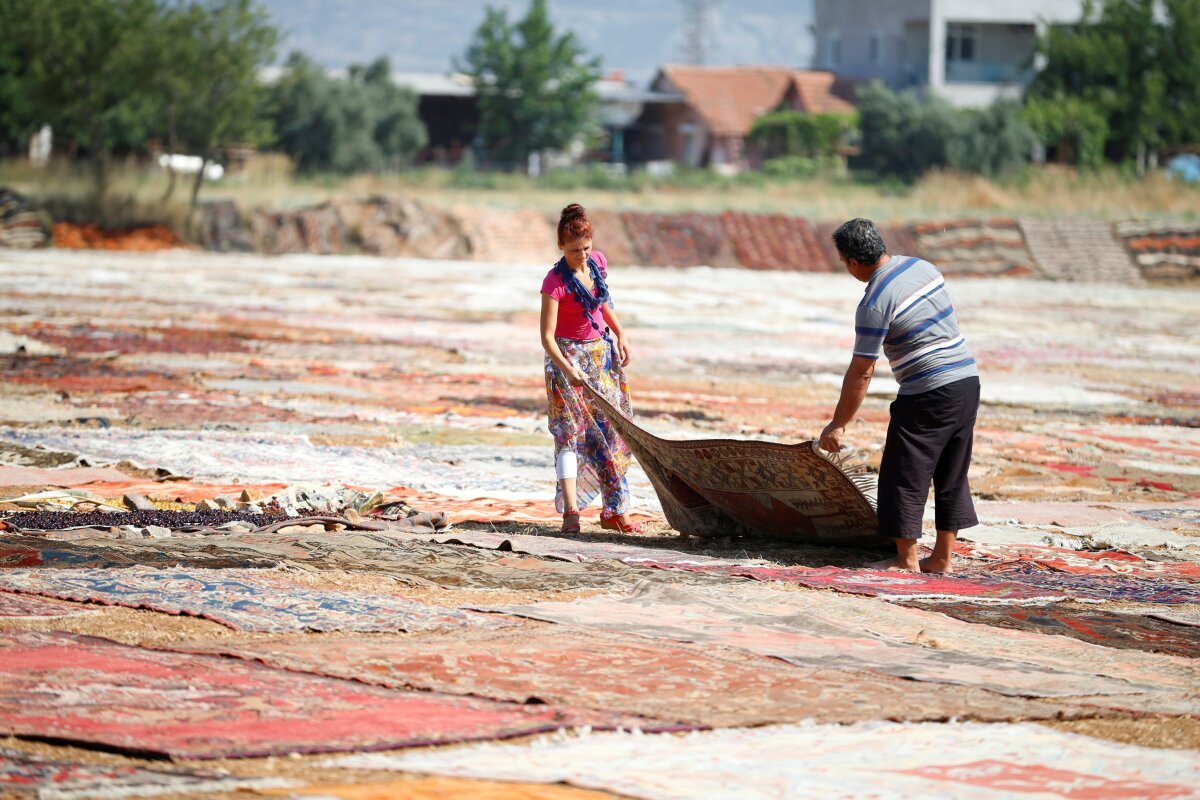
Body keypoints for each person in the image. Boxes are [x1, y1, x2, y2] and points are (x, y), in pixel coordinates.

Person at [820, 218, 980, 573]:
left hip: (928, 391)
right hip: (967, 381)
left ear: (851, 262)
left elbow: (862, 370)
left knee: (903, 475)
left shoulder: (875, 302)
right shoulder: (923, 267)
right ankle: (941, 558)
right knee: (951, 472)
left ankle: (906, 561)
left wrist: (837, 424)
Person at [540, 203, 642, 535]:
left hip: (600, 356)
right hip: (566, 359)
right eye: (573, 251)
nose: (581, 255)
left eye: (585, 248)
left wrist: (621, 334)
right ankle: (571, 512)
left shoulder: (597, 264)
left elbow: (602, 306)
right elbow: (546, 336)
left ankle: (614, 510)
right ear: (561, 247)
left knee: (613, 431)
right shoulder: (554, 282)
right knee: (569, 435)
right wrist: (568, 369)